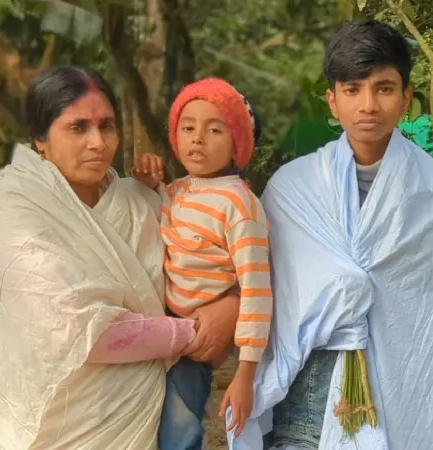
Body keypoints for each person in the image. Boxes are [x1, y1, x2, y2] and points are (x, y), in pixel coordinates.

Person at [231, 19, 433, 449]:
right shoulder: (292, 190)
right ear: (332, 101)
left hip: (401, 399)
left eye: (384, 88)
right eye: (353, 90)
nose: (368, 105)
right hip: (303, 402)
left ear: (406, 98)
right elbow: (259, 288)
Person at [0, 65, 240, 450]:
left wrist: (231, 305)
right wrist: (195, 333)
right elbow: (80, 330)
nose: (98, 143)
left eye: (107, 126)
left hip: (152, 415)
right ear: (40, 139)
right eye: (78, 128)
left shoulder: (139, 200)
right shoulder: (17, 210)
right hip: (65, 427)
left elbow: (205, 264)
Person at [132, 77, 272, 449]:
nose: (198, 138)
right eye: (188, 127)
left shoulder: (240, 206)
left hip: (195, 342)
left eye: (214, 129)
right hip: (160, 326)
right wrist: (147, 182)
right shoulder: (179, 189)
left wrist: (245, 372)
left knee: (179, 434)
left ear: (237, 143)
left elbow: (257, 291)